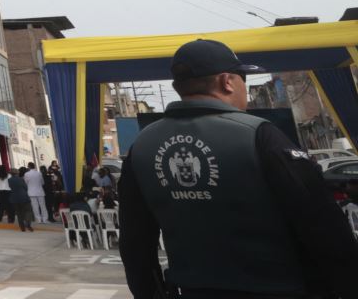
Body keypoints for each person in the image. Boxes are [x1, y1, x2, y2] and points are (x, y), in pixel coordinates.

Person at [121, 39, 358, 299]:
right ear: (227, 81)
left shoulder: (142, 146)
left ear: (178, 87)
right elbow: (324, 228)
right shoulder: (259, 135)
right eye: (243, 78)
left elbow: (135, 243)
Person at [9, 166, 33, 232]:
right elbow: (25, 187)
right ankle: (27, 223)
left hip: (14, 198)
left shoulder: (9, 180)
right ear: (17, 173)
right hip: (24, 197)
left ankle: (22, 227)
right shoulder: (21, 179)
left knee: (19, 213)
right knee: (28, 210)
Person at [23, 159, 46, 224]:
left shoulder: (26, 174)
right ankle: (44, 219)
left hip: (31, 192)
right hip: (40, 191)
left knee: (35, 206)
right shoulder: (39, 173)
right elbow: (42, 183)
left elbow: (26, 183)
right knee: (43, 206)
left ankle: (38, 219)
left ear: (29, 167)